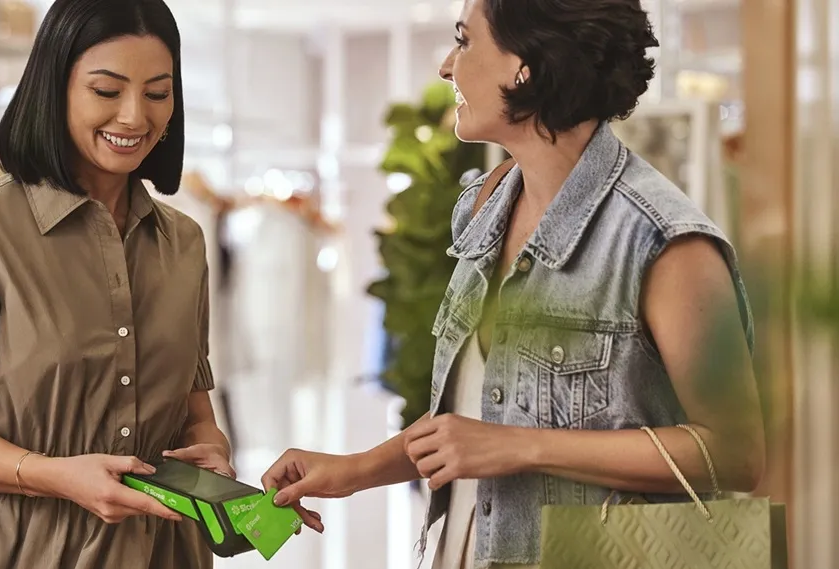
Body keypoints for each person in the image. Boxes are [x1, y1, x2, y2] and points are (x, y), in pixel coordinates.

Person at [261, 0, 766, 568]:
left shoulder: (663, 242)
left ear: (523, 64)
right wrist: (355, 470)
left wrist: (521, 448)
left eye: (465, 40)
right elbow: (489, 409)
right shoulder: (485, 207)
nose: (447, 66)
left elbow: (737, 452)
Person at [0, 0, 233, 567]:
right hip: (21, 547)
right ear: (55, 88)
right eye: (107, 92)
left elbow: (194, 408)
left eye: (157, 93)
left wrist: (214, 452)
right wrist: (55, 475)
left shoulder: (185, 243)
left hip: (162, 550)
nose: (134, 117)